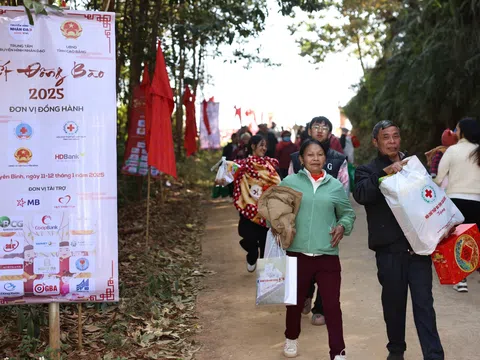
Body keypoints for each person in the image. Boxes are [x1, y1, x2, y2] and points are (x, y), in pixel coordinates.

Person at [353, 120, 444, 360]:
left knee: (424, 305)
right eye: (386, 137)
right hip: (390, 251)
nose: (392, 141)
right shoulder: (368, 170)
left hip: (419, 250)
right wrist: (384, 174)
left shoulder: (413, 165)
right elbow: (361, 194)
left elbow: (430, 197)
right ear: (376, 142)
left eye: (396, 136)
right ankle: (396, 351)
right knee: (394, 305)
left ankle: (434, 355)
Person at [279, 139, 355, 360]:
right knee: (294, 303)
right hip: (297, 252)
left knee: (332, 306)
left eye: (319, 154)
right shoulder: (289, 182)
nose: (315, 158)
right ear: (301, 159)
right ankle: (291, 339)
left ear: (325, 158)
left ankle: (338, 352)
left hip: (327, 255)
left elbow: (347, 213)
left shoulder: (334, 186)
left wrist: (343, 226)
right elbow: (274, 210)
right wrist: (277, 224)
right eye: (310, 155)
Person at [289, 116, 349, 326]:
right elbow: (288, 190)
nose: (320, 130)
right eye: (316, 126)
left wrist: (339, 218)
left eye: (325, 127)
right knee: (304, 261)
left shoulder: (339, 159)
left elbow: (344, 190)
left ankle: (320, 308)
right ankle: (305, 295)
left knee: (326, 264)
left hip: (328, 221)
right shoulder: (295, 157)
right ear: (309, 130)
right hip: (302, 220)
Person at [434, 117, 480, 293]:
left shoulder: (452, 151)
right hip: (477, 200)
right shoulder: (478, 151)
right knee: (475, 238)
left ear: (462, 132)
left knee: (458, 238)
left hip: (456, 201)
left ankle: (461, 280)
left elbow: (439, 178)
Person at [233, 135, 281, 272]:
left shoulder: (269, 165)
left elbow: (277, 182)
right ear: (253, 146)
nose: (264, 148)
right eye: (261, 145)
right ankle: (252, 254)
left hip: (265, 210)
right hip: (248, 207)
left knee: (265, 241)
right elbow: (231, 174)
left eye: (265, 145)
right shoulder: (244, 164)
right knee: (248, 236)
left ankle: (265, 273)